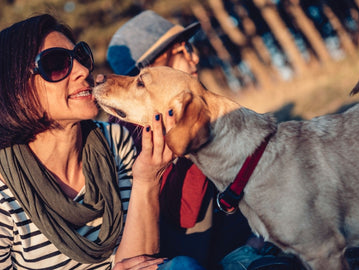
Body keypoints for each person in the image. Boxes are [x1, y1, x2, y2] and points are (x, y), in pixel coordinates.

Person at [0, 14, 199, 270]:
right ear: (16, 90)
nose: (83, 71)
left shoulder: (114, 142)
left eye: (81, 57)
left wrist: (147, 179)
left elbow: (139, 263)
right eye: (56, 64)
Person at [107, 10, 275, 270]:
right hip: (190, 252)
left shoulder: (186, 109)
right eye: (183, 50)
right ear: (152, 68)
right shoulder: (134, 131)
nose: (194, 58)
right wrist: (191, 141)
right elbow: (185, 214)